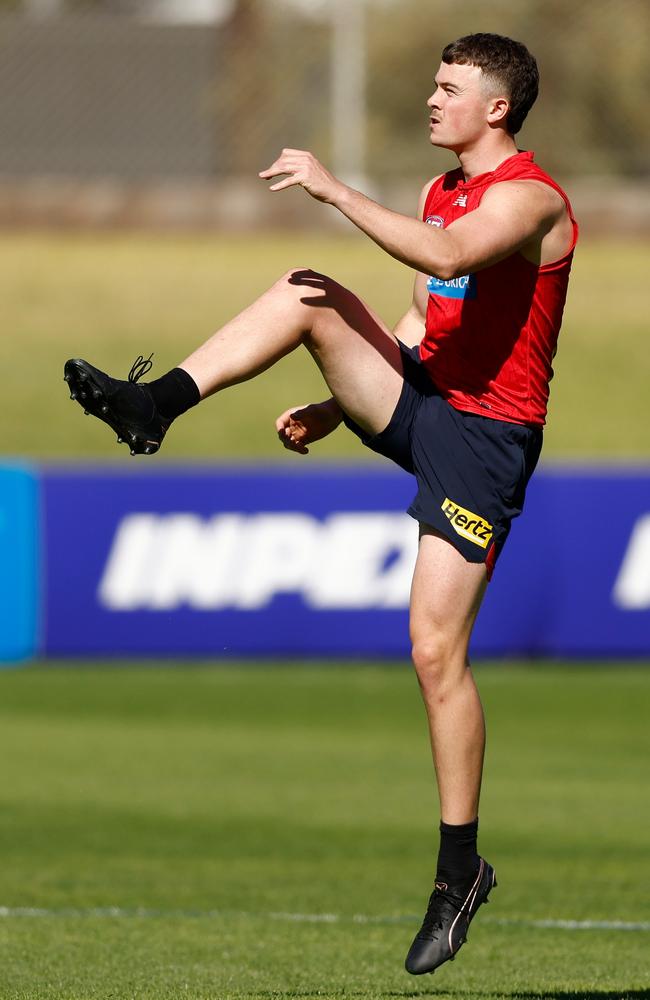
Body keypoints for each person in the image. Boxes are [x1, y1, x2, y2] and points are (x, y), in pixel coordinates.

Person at [64, 33, 578, 977]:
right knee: (309, 294)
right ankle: (154, 406)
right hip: (424, 400)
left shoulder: (532, 200)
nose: (431, 99)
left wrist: (337, 189)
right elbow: (425, 320)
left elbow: (453, 250)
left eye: (449, 88)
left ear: (496, 110)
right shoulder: (438, 188)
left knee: (433, 652)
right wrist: (342, 403)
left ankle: (459, 872)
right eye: (433, 82)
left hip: (484, 446)